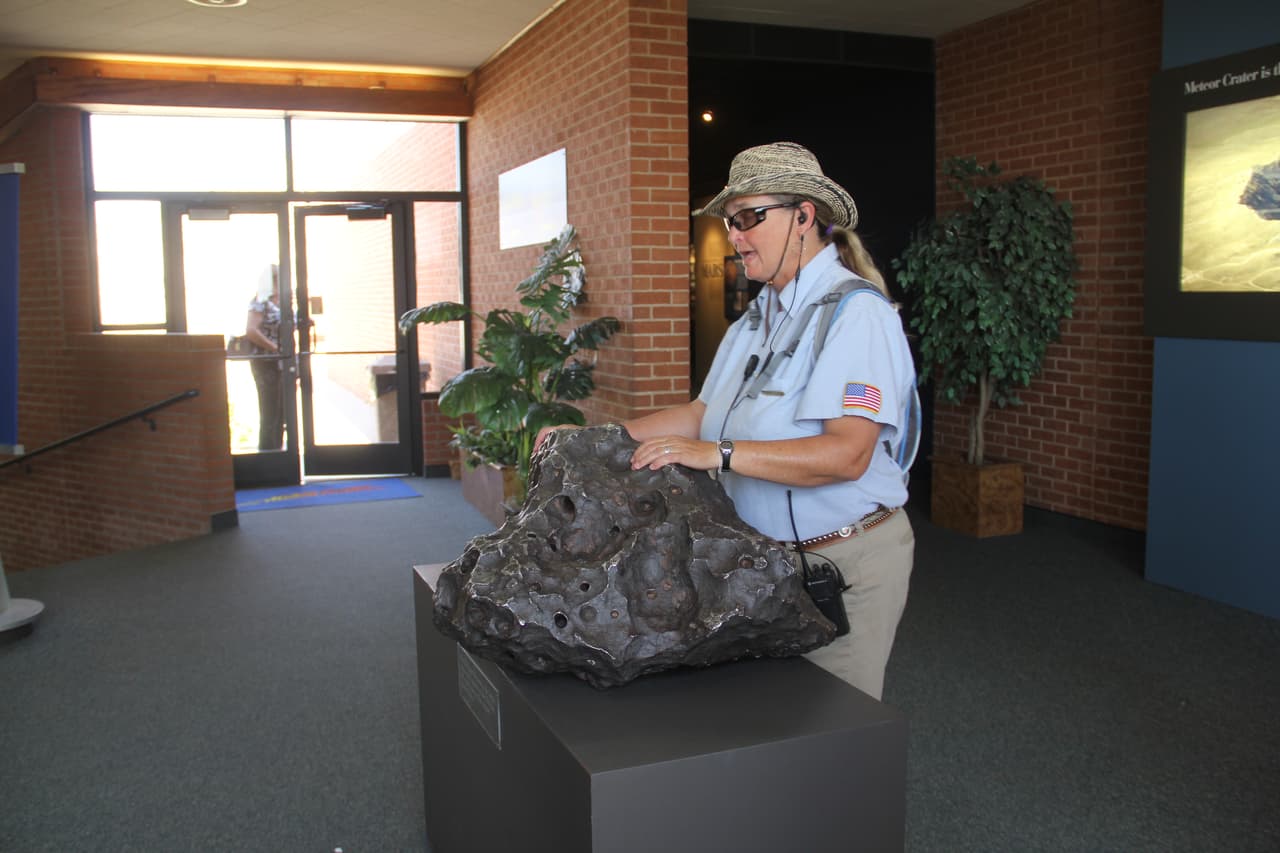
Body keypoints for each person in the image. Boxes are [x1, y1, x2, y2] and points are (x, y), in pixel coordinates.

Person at [539, 142, 916, 699]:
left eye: (748, 218)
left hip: (839, 563)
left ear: (803, 216)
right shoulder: (758, 318)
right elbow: (702, 413)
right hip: (763, 562)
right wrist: (596, 439)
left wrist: (721, 453)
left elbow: (848, 454)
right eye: (730, 221)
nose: (735, 236)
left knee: (833, 725)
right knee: (770, 722)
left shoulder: (855, 314)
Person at [243, 264, 284, 451]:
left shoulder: (282, 301)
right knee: (269, 411)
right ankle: (268, 454)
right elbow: (251, 330)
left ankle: (279, 451)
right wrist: (274, 348)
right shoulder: (260, 301)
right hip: (265, 363)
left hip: (283, 362)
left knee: (281, 411)